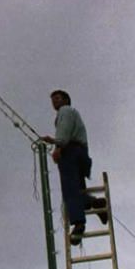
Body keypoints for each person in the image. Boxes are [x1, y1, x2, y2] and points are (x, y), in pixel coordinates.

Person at [43, 89, 108, 246]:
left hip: (71, 153)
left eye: (57, 98)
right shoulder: (72, 114)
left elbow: (63, 136)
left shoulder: (65, 111)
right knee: (78, 191)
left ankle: (79, 224)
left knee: (70, 191)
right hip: (81, 154)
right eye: (53, 100)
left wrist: (55, 143)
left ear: (66, 100)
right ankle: (94, 203)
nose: (54, 102)